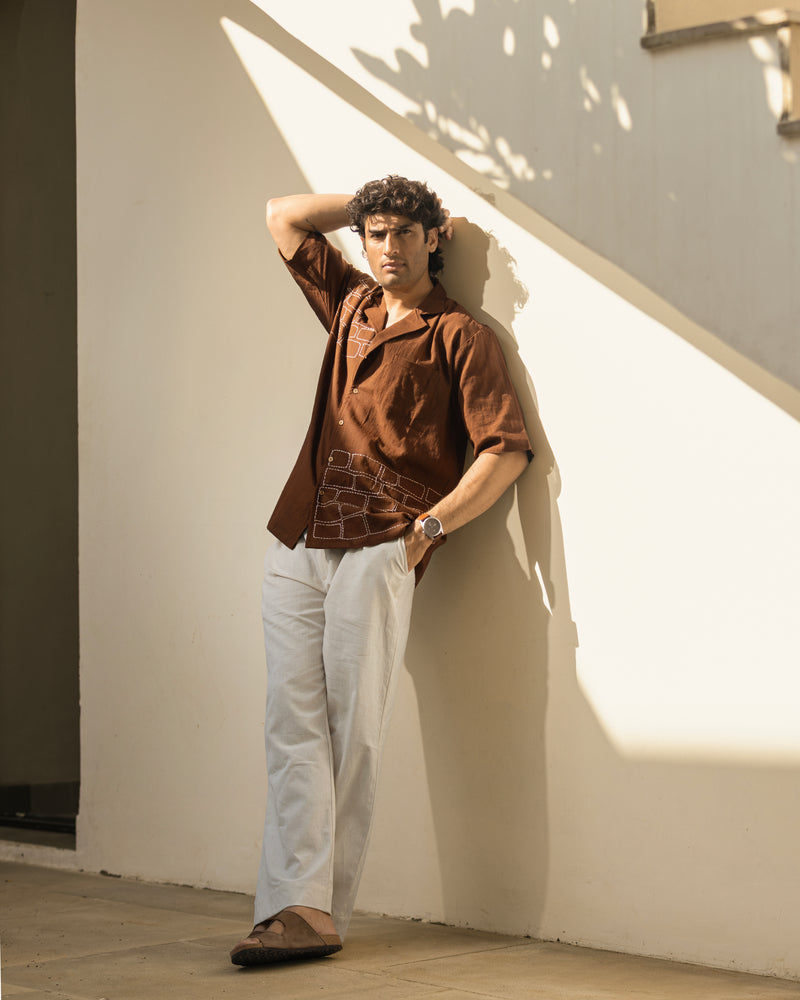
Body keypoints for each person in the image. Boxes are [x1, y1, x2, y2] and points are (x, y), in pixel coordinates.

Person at [230, 176, 532, 966]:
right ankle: (290, 905)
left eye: (405, 232)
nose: (388, 247)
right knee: (290, 726)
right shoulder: (351, 304)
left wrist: (427, 531)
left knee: (351, 728)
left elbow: (505, 451)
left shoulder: (459, 336)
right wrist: (369, 197)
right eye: (376, 233)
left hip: (381, 543)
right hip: (301, 534)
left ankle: (317, 912)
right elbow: (283, 216)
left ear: (435, 240)